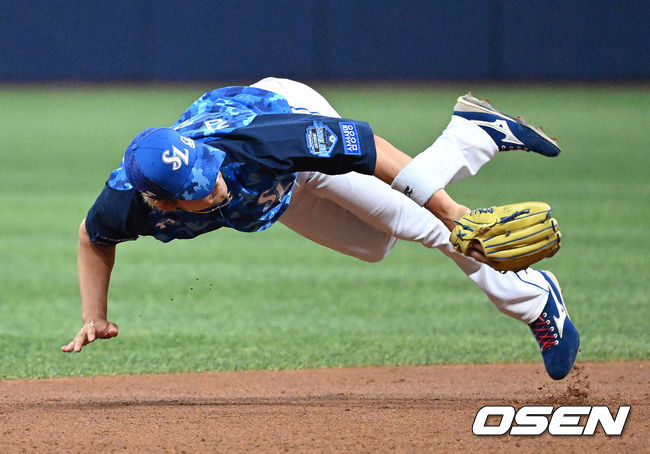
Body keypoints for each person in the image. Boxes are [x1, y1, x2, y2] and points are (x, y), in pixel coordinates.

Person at [61, 77, 580, 380]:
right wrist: (94, 315)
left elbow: (369, 149)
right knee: (376, 245)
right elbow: (94, 237)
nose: (212, 184)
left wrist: (455, 213)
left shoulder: (261, 140)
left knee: (424, 222)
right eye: (197, 187)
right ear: (162, 202)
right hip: (273, 197)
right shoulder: (128, 203)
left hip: (291, 135)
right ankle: (471, 135)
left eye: (206, 168)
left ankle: (535, 301)